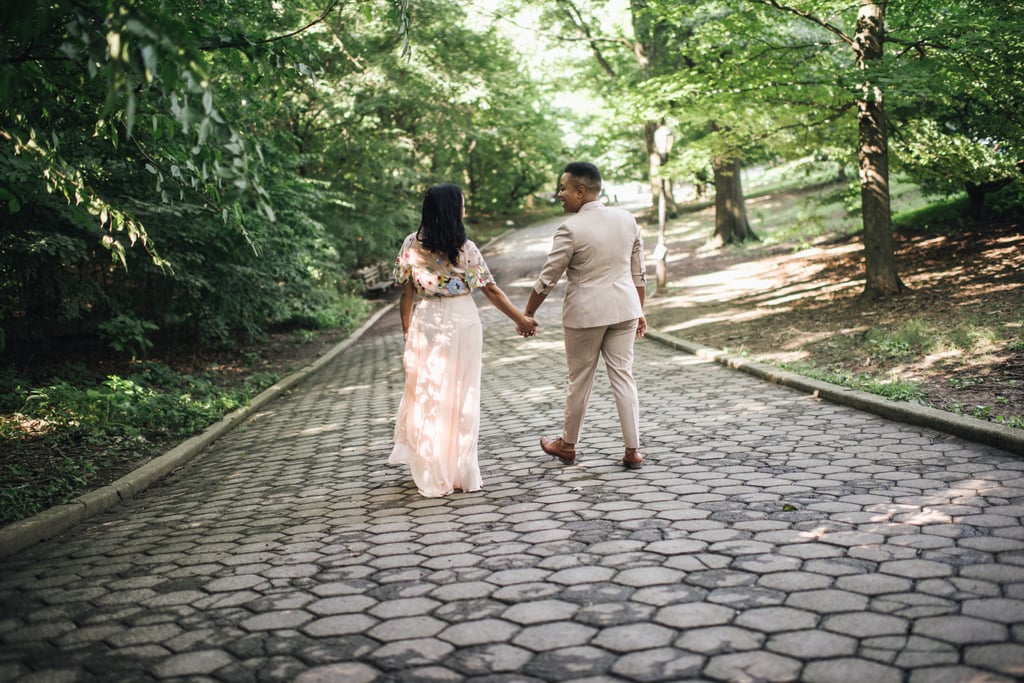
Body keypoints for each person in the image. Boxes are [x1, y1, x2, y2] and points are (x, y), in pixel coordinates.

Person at [390, 183, 536, 497]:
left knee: (428, 394)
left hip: (426, 322)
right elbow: (492, 291)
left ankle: (433, 466)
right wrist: (521, 319)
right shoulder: (465, 247)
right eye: (462, 204)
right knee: (462, 395)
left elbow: (406, 293)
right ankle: (460, 470)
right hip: (463, 322)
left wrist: (407, 333)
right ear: (453, 210)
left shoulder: (410, 244)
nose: (465, 209)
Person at [524, 162, 647, 469]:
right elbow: (639, 274)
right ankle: (633, 450)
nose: (559, 194)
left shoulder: (571, 228)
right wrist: (640, 311)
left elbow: (548, 277)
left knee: (580, 379)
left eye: (563, 189)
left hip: (586, 314)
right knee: (624, 377)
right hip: (625, 309)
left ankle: (567, 445)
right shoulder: (627, 219)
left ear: (581, 191)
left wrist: (528, 312)